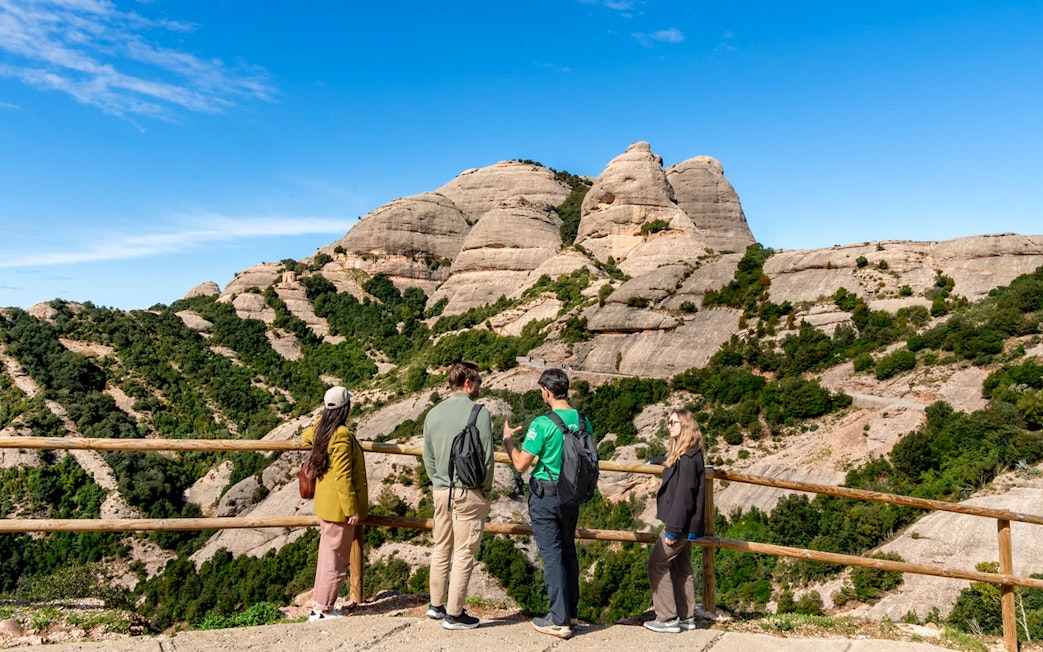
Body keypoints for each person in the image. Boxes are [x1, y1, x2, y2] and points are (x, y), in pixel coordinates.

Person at [503, 368, 591, 640]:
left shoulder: (542, 424)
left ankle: (558, 620)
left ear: (547, 392)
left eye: (542, 390)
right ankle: (571, 612)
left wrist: (508, 440)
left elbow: (520, 464)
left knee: (552, 556)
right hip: (572, 495)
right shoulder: (583, 420)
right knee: (568, 550)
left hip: (546, 496)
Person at [421, 362, 495, 630]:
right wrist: (485, 491)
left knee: (441, 547)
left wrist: (438, 481)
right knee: (464, 552)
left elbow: (427, 457)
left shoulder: (433, 413)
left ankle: (436, 606)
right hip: (468, 492)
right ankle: (455, 614)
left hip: (441, 490)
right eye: (479, 381)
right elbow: (487, 459)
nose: (479, 386)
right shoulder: (480, 413)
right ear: (468, 382)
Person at [302, 386, 368, 621]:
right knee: (337, 562)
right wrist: (352, 509)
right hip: (339, 510)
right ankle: (324, 610)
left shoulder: (321, 430)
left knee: (327, 558)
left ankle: (318, 606)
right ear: (345, 409)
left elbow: (305, 434)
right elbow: (343, 476)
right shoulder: (340, 434)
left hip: (326, 506)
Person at [644, 408, 706, 633]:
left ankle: (667, 618)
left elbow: (684, 497)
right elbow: (672, 461)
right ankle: (686, 617)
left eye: (673, 422)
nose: (668, 425)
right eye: (668, 422)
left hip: (679, 524)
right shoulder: (689, 453)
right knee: (682, 567)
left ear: (686, 427)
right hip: (687, 524)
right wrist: (655, 460)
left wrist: (672, 530)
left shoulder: (689, 458)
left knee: (657, 564)